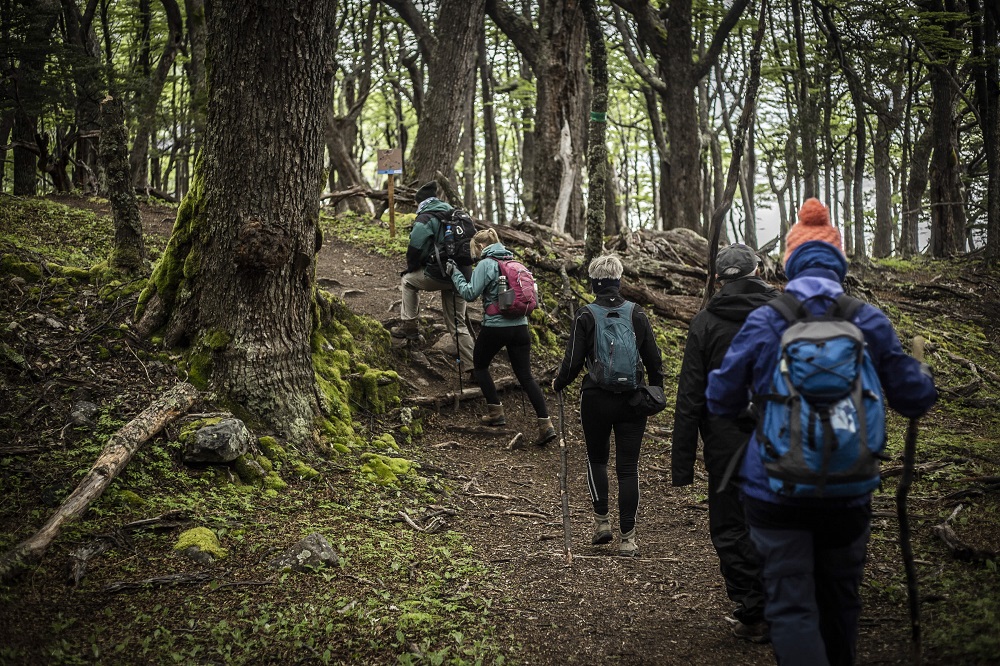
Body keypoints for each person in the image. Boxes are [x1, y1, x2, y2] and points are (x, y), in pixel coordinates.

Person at [705, 198, 937, 665]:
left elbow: (720, 398)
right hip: (849, 489)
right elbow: (914, 397)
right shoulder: (866, 318)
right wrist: (922, 374)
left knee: (791, 606)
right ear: (838, 262)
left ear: (790, 263)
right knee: (841, 601)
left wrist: (755, 403)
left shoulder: (769, 318)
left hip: (775, 486)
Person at [672, 243, 777, 643]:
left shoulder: (705, 323)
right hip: (783, 434)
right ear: (759, 271)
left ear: (718, 280)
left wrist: (682, 463)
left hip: (725, 442)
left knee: (732, 525)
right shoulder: (785, 314)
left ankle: (753, 611)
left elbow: (690, 396)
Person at [551, 255, 664, 557]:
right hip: (632, 400)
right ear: (618, 280)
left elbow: (573, 362)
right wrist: (655, 392)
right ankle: (628, 538)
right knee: (628, 469)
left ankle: (602, 523)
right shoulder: (636, 313)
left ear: (593, 282)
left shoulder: (585, 315)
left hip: (596, 399)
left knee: (597, 460)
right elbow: (654, 360)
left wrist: (558, 383)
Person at [446, 227, 556, 447]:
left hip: (496, 327)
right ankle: (546, 424)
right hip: (521, 327)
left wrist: (455, 274)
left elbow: (469, 293)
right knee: (526, 376)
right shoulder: (517, 264)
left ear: (479, 246)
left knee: (480, 366)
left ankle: (495, 412)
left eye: (474, 249)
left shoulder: (486, 264)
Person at [391, 181, 474, 380]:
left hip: (440, 274)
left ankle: (409, 327)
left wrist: (411, 268)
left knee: (408, 281)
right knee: (458, 324)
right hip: (462, 275)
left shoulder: (426, 216)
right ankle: (474, 368)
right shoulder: (455, 214)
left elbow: (415, 246)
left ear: (419, 202)